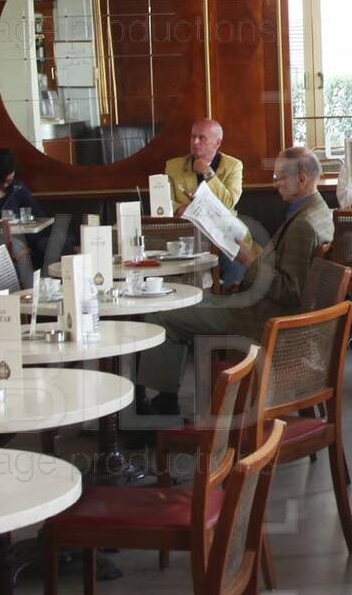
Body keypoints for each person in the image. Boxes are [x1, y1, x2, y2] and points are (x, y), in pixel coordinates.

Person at [136, 146, 334, 406]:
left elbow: (290, 292)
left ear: (302, 179)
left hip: (261, 319)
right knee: (184, 305)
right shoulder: (320, 211)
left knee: (164, 314)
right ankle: (164, 398)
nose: (275, 183)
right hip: (263, 309)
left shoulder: (303, 226)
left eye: (280, 177)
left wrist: (248, 260)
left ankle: (162, 403)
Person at [165, 118, 244, 210]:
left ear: (217, 143)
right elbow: (164, 202)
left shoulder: (233, 166)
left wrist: (207, 171)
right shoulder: (173, 166)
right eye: (193, 136)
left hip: (220, 219)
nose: (195, 142)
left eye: (202, 138)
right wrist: (180, 209)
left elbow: (228, 203)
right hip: (184, 219)